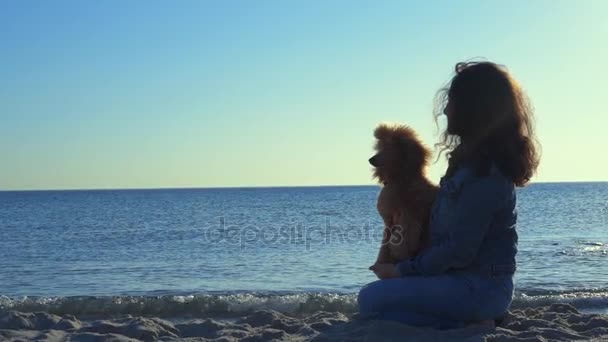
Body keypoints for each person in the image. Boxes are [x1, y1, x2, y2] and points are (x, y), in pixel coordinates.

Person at [358, 61, 540, 329]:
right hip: (459, 282)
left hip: (478, 288)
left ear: (472, 108)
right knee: (376, 302)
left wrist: (400, 271)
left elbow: (459, 251)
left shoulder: (485, 174)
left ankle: (473, 322)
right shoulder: (466, 165)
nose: (444, 110)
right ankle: (470, 319)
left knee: (369, 301)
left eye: (451, 101)